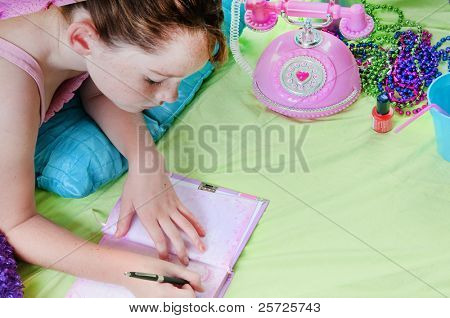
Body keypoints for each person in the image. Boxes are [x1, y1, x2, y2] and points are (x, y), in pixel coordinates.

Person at [0, 0, 227, 297]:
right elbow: (15, 223)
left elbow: (98, 86)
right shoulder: (9, 93)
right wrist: (132, 273)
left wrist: (145, 160)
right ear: (82, 39)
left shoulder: (77, 25)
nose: (170, 97)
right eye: (154, 79)